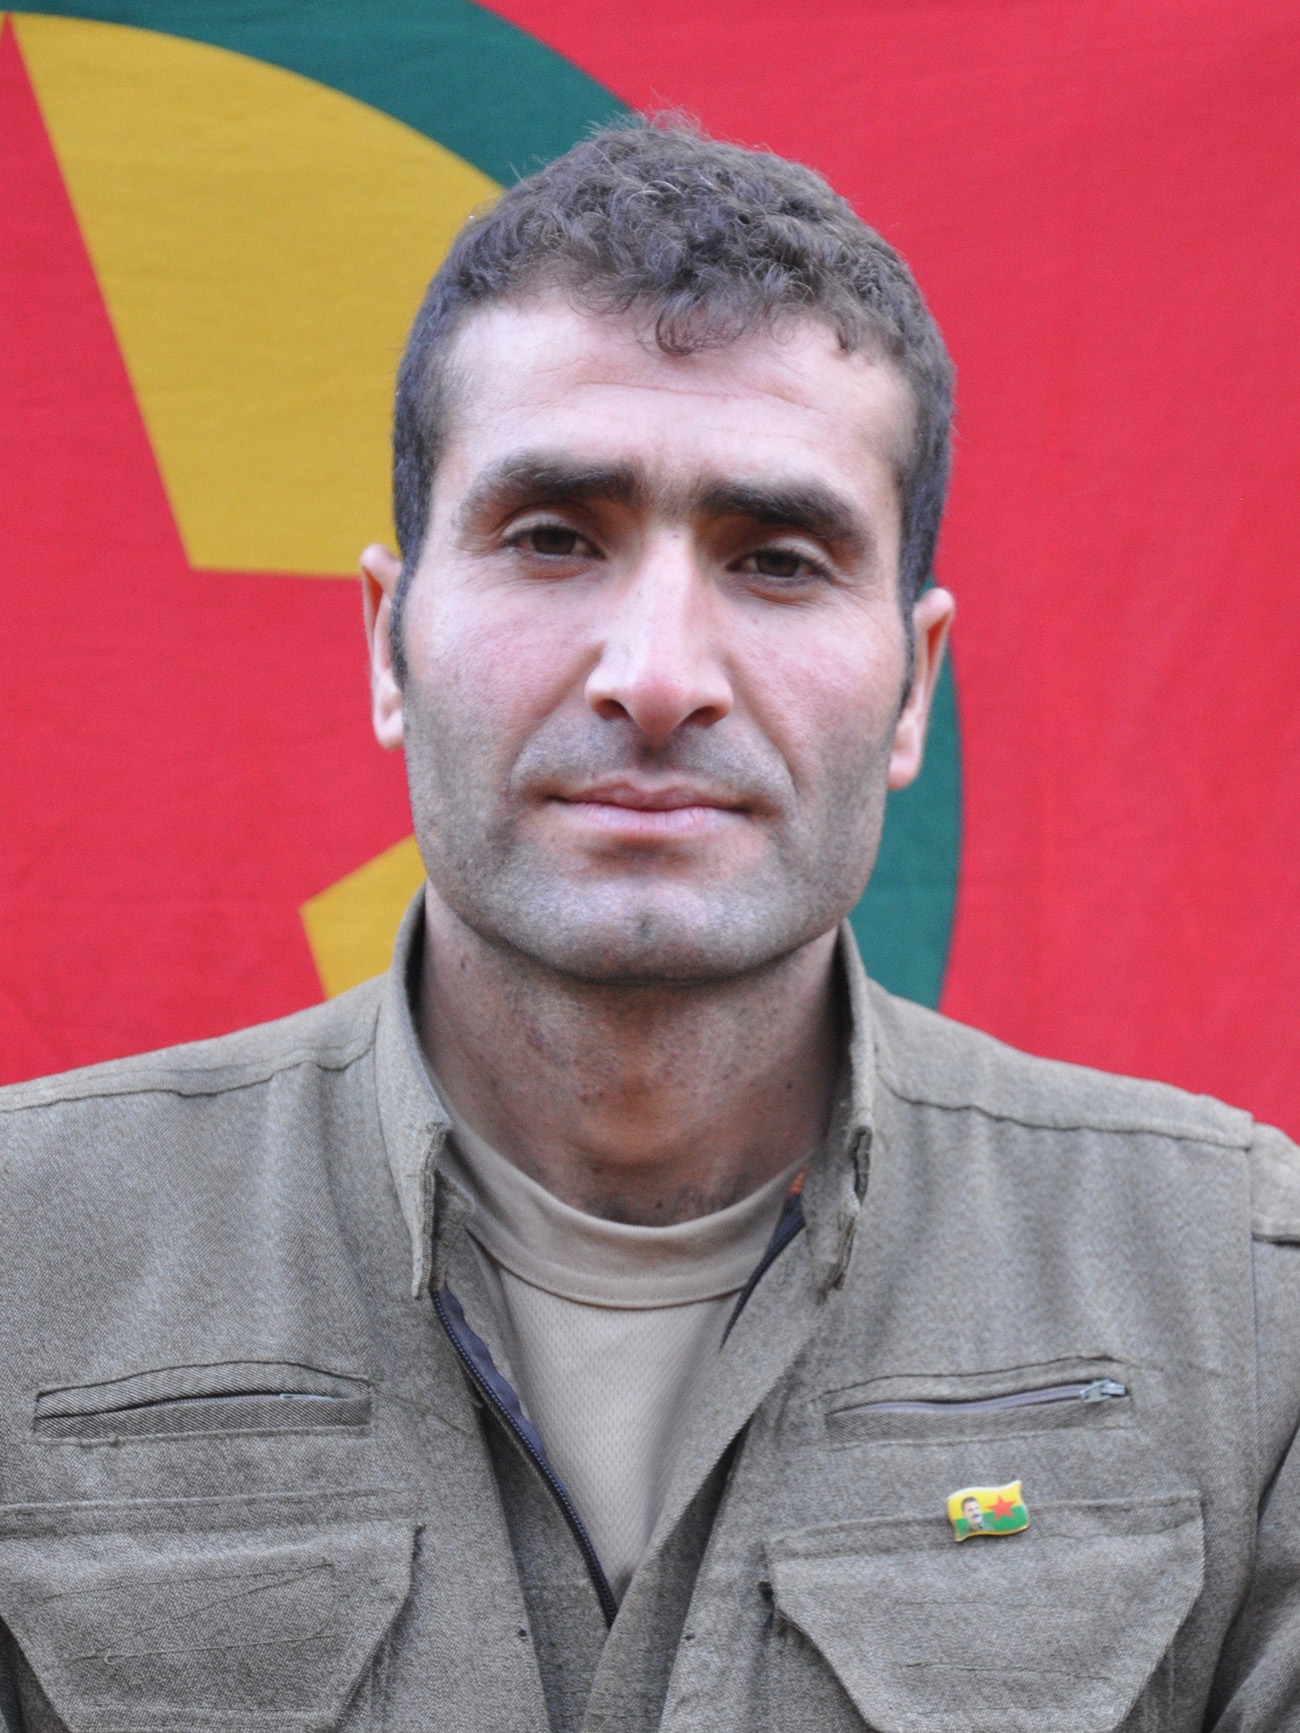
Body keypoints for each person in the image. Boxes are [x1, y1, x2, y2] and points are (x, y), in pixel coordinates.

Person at [0, 119, 1297, 1733]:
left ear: (914, 688)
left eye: (779, 560)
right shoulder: (23, 1264)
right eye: (554, 536)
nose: (660, 674)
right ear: (390, 645)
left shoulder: (1243, 1307)